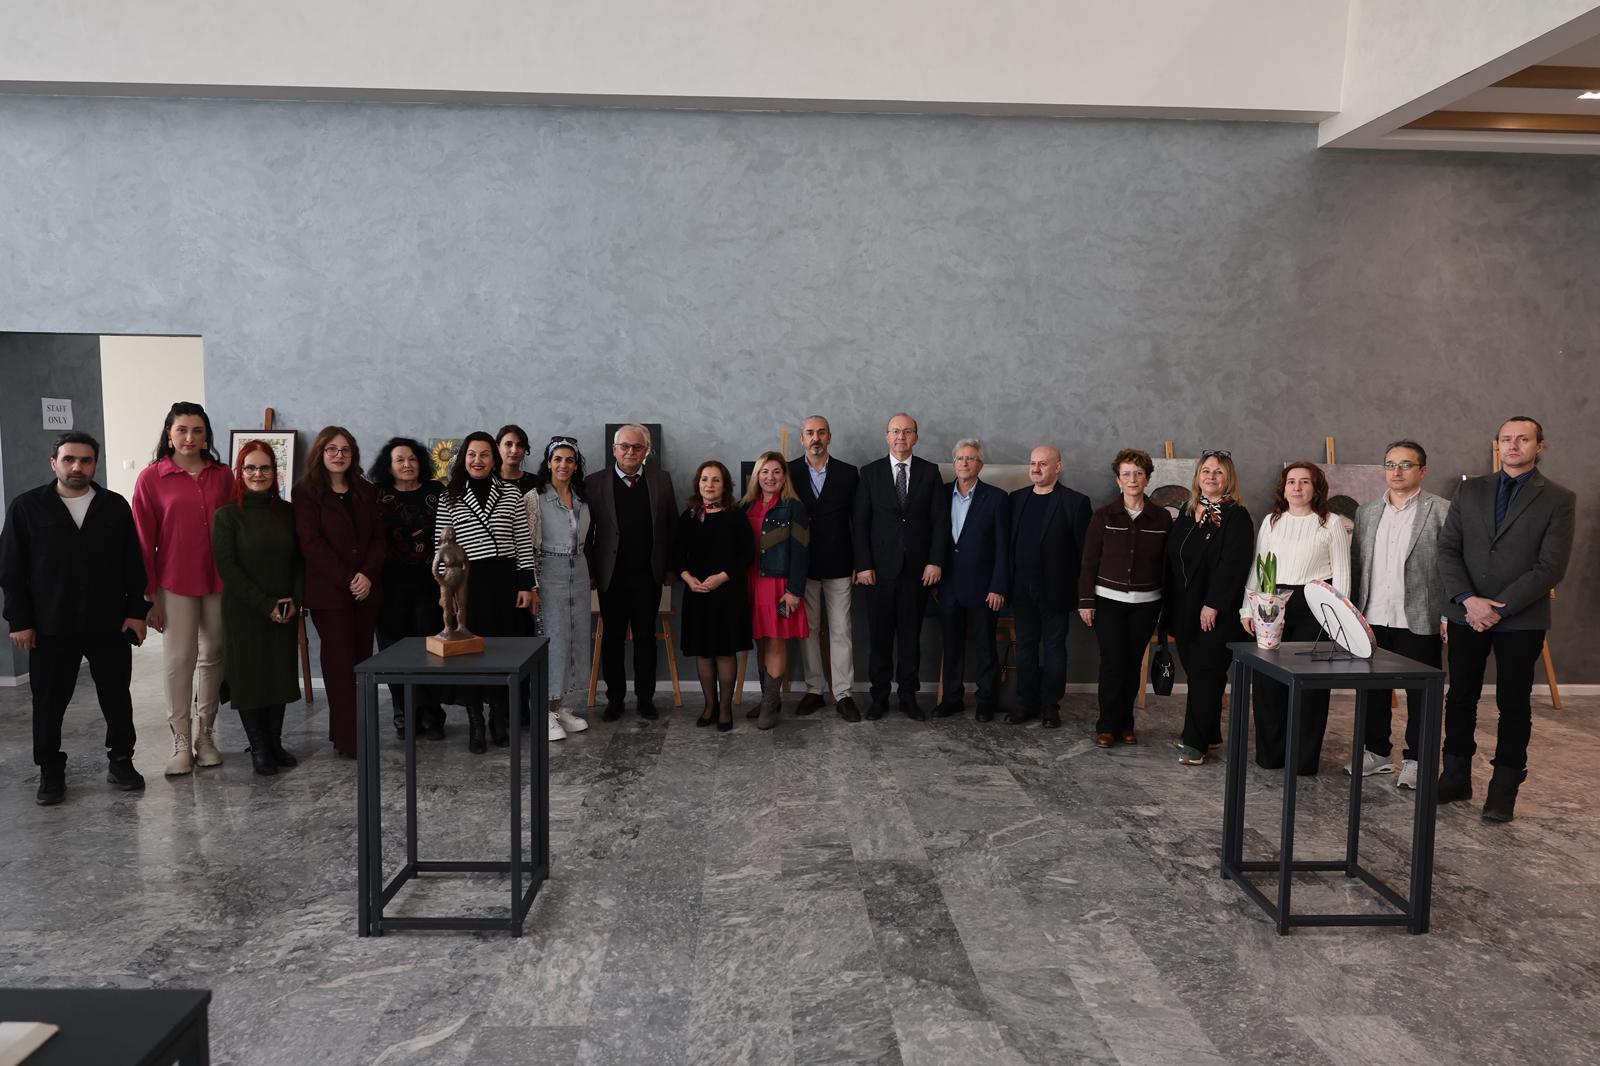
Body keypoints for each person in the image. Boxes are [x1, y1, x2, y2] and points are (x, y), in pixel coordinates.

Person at [1437, 416, 1575, 822]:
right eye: (1506, 439)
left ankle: (1503, 789)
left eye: (1523, 439)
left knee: (1513, 702)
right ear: (1498, 444)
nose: (1513, 446)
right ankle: (1455, 777)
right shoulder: (1469, 490)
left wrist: (1496, 608)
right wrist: (1468, 600)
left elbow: (1550, 567)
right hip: (1466, 613)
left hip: (1521, 618)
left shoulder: (1559, 498)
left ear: (1539, 446)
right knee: (1460, 696)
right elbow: (1447, 550)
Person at [2, 432, 149, 804]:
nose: (77, 467)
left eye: (85, 460)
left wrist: (137, 612)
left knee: (116, 698)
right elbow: (11, 569)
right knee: (48, 703)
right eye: (69, 459)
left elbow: (132, 563)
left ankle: (121, 761)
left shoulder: (114, 506)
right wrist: (19, 620)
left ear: (94, 464)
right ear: (54, 463)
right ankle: (50, 770)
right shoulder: (26, 508)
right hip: (51, 625)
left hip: (109, 623)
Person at [132, 401, 233, 775]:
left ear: (206, 436)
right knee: (179, 659)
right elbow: (143, 541)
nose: (190, 437)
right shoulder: (151, 478)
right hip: (174, 582)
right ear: (169, 434)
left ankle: (205, 736)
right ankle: (180, 741)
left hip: (219, 580)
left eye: (197, 430)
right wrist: (149, 595)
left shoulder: (224, 475)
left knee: (214, 654)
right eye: (182, 430)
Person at [1347, 441, 1449, 790]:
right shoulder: (1367, 512)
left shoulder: (1442, 510)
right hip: (1373, 616)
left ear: (1423, 470)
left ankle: (1418, 760)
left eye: (1406, 464)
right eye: (1390, 464)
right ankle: (1376, 752)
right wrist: (1353, 613)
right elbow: (1358, 564)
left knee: (1422, 696)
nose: (1397, 471)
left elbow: (1451, 567)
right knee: (1373, 691)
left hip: (1419, 618)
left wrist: (1448, 614)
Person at [1240, 462, 1351, 775]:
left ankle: (1302, 761)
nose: (1297, 487)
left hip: (1314, 605)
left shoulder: (1331, 523)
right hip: (1272, 602)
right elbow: (1259, 566)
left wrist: (1338, 619)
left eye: (1305, 482)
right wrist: (1248, 608)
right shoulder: (1271, 521)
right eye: (1291, 481)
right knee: (1268, 684)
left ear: (1316, 488)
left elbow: (1342, 574)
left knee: (1310, 687)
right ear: (1284, 487)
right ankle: (1270, 755)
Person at [435, 431, 539, 751]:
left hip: (504, 582)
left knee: (502, 651)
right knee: (469, 654)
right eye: (471, 454)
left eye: (484, 455)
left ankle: (498, 717)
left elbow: (522, 542)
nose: (477, 460)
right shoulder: (449, 496)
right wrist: (447, 593)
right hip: (467, 584)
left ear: (494, 459)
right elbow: (441, 549)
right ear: (463, 458)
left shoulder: (510, 493)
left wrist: (526, 585)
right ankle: (475, 723)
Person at [212, 440, 304, 775]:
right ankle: (259, 747)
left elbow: (299, 560)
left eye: (264, 467)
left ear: (274, 472)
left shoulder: (287, 512)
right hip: (245, 610)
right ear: (240, 472)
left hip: (284, 609)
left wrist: (295, 600)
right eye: (250, 468)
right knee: (249, 677)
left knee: (278, 674)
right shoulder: (227, 516)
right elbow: (228, 569)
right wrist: (265, 604)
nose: (258, 474)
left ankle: (275, 743)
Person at [293, 426, 385, 758]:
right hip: (330, 594)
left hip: (365, 592)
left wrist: (367, 576)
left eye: (345, 449)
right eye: (331, 449)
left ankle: (358, 732)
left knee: (362, 662)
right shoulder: (305, 492)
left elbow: (379, 539)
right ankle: (349, 739)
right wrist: (349, 578)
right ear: (320, 453)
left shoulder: (366, 490)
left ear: (353, 454)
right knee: (339, 665)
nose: (339, 455)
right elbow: (311, 544)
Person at [853, 413, 948, 720]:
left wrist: (935, 561)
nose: (901, 437)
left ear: (916, 437)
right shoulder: (870, 473)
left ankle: (908, 697)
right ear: (887, 436)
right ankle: (879, 697)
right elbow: (860, 523)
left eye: (907, 432)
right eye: (895, 431)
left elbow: (940, 522)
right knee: (879, 638)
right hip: (878, 573)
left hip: (917, 571)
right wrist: (863, 564)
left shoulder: (930, 472)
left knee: (910, 638)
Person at [1163, 451, 1252, 766]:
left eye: (1218, 472)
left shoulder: (1236, 516)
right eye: (1206, 471)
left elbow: (1233, 565)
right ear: (1198, 476)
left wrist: (1213, 603)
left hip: (1215, 610)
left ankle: (1195, 742)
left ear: (1229, 478)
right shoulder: (1189, 511)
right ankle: (1210, 732)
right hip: (1184, 608)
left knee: (1206, 673)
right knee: (1198, 671)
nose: (1211, 477)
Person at [584, 423, 678, 722]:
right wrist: (590, 572)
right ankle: (615, 700)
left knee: (645, 639)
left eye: (637, 447)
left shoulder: (661, 480)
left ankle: (645, 699)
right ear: (614, 449)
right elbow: (585, 534)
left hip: (648, 575)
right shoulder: (594, 482)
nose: (630, 452)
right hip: (610, 576)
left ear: (646, 451)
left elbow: (671, 526)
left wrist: (670, 568)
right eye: (624, 446)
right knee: (612, 639)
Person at [1078, 448, 1171, 746]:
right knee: (1112, 663)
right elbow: (1088, 562)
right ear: (1118, 480)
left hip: (1146, 605)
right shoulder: (1103, 516)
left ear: (1147, 479)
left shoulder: (1162, 518)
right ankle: (1106, 725)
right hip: (1108, 602)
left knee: (1133, 665)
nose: (1132, 479)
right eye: (1126, 474)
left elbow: (1167, 565)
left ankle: (1126, 724)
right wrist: (1086, 601)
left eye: (1138, 474)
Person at [1007, 445, 1092, 729]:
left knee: (1055, 650)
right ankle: (1026, 703)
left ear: (1058, 467)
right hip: (1021, 589)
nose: (1036, 468)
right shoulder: (1017, 499)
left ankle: (1049, 706)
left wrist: (1082, 594)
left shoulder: (1075, 502)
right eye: (1033, 463)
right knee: (1024, 649)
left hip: (1056, 590)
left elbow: (1084, 555)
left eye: (1043, 464)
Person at [369, 437, 447, 740]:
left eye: (412, 458)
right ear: (388, 466)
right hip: (389, 586)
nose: (407, 464)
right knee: (394, 652)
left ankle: (432, 714)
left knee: (429, 651)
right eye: (399, 459)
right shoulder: (376, 495)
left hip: (430, 584)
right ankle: (404, 713)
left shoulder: (436, 491)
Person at [788, 415, 861, 722]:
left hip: (839, 562)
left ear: (829, 437)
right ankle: (814, 689)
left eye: (821, 432)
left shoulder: (848, 473)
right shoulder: (789, 471)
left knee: (841, 629)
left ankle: (843, 694)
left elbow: (859, 521)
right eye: (810, 433)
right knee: (808, 630)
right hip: (802, 565)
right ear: (802, 439)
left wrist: (860, 562)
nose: (815, 438)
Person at [673, 460, 753, 732]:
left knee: (724, 651)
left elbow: (747, 554)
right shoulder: (688, 517)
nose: (709, 485)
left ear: (725, 485)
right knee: (704, 652)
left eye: (716, 479)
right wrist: (687, 578)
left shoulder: (736, 515)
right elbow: (677, 555)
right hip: (697, 593)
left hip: (728, 593)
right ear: (698, 484)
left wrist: (722, 577)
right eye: (705, 479)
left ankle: (726, 709)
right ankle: (710, 705)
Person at [935, 438, 1009, 721]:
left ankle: (986, 701)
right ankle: (951, 699)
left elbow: (1003, 548)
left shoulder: (997, 498)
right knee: (951, 646)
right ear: (954, 463)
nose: (964, 463)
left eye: (970, 458)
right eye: (960, 458)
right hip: (948, 586)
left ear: (980, 464)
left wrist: (998, 586)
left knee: (985, 646)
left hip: (984, 588)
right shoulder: (940, 494)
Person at [525, 436, 593, 741]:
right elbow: (526, 545)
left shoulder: (581, 498)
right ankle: (544, 710)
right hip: (548, 569)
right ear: (549, 463)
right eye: (558, 459)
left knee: (576, 638)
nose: (563, 465)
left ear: (576, 465)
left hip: (578, 570)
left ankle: (561, 706)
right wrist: (533, 585)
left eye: (569, 460)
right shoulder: (535, 498)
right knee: (552, 639)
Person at [741, 451, 811, 730]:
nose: (770, 477)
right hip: (751, 582)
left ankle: (770, 705)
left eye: (776, 472)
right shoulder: (745, 505)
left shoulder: (794, 507)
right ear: (757, 476)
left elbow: (802, 551)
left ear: (784, 477)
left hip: (779, 586)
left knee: (776, 641)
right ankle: (768, 699)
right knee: (761, 641)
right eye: (765, 472)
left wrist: (794, 590)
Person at [496, 424, 538, 495]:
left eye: (520, 445)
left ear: (525, 450)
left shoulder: (536, 483)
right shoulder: (487, 480)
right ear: (498, 448)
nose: (514, 450)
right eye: (508, 444)